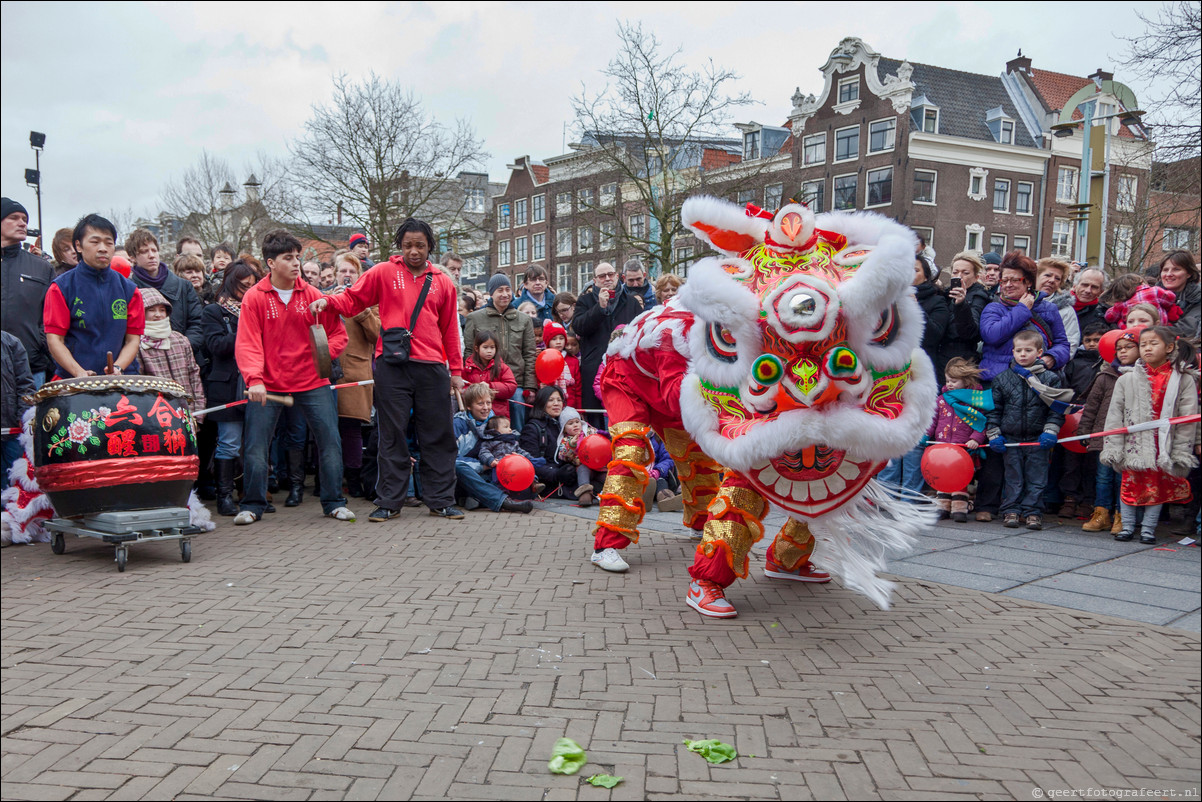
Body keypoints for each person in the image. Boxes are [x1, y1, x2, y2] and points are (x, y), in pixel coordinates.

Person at [314, 217, 466, 522]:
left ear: (430, 247)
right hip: (392, 365)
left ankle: (441, 500)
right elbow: (354, 298)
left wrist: (457, 371)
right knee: (391, 435)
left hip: (433, 366)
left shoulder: (443, 281)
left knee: (438, 434)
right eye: (408, 245)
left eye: (420, 245)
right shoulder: (382, 272)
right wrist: (328, 303)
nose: (413, 251)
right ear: (399, 245)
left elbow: (450, 327)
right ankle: (389, 501)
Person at [234, 229, 354, 525]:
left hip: (313, 382)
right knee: (256, 445)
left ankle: (334, 502)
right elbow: (247, 343)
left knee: (330, 441)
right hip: (268, 383)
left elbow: (339, 335)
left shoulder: (313, 295)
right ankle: (252, 504)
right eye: (288, 258)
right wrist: (254, 379)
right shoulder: (254, 297)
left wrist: (322, 357)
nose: (296, 263)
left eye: (298, 257)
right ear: (271, 263)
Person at [1102, 327, 1199, 544]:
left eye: (1153, 343)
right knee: (1129, 482)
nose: (1147, 348)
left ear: (1170, 347)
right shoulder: (1126, 379)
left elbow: (1188, 417)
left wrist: (1182, 449)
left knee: (1157, 486)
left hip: (1162, 442)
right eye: (1143, 344)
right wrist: (1113, 445)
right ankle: (1127, 526)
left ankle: (1148, 529)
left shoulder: (1182, 380)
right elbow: (1115, 414)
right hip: (1134, 443)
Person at [986, 330, 1070, 530]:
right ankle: (1011, 510)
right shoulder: (1002, 379)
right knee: (1013, 475)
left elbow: (1056, 410)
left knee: (1037, 476)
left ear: (1039, 352)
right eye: (1019, 350)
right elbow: (994, 409)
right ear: (1013, 352)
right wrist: (994, 433)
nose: (1022, 354)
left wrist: (1050, 431)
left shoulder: (1050, 379)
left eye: (1028, 350)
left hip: (1037, 437)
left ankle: (1033, 512)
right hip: (1010, 437)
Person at [43, 214, 144, 379]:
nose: (103, 248)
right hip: (74, 380)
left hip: (122, 378)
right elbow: (55, 339)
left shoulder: (129, 290)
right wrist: (78, 372)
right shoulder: (61, 288)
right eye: (95, 242)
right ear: (79, 246)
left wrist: (118, 367)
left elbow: (133, 340)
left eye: (108, 242)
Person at [202, 261, 257, 516]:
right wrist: (244, 328)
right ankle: (224, 496)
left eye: (252, 286)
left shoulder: (258, 309)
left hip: (255, 382)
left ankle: (252, 494)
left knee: (255, 443)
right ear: (231, 283)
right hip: (226, 385)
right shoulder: (214, 311)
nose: (247, 290)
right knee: (229, 442)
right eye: (243, 286)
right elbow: (216, 346)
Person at [1077, 326, 1139, 534]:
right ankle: (1101, 513)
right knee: (1103, 477)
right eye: (1119, 348)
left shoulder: (1143, 377)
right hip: (1105, 436)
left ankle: (1122, 516)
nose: (1123, 352)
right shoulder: (1105, 376)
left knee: (1123, 478)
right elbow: (1091, 406)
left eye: (1129, 347)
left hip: (1130, 439)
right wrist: (1084, 431)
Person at [328, 252, 379, 498]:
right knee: (325, 428)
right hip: (326, 374)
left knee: (351, 429)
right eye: (342, 271)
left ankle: (355, 480)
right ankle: (326, 480)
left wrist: (360, 309)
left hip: (355, 373)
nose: (346, 276)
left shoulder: (371, 304)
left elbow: (379, 336)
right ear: (335, 274)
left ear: (359, 276)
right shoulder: (324, 298)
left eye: (352, 272)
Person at [462, 274, 536, 430]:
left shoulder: (524, 319)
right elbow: (469, 352)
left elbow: (529, 354)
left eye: (508, 289)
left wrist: (530, 386)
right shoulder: (475, 318)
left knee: (516, 412)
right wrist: (472, 383)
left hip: (515, 383)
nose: (505, 294)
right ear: (492, 293)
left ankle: (517, 447)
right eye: (500, 290)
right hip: (481, 381)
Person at [573, 262, 644, 418]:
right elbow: (578, 327)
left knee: (623, 413)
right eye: (602, 276)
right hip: (594, 368)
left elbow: (640, 333)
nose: (607, 278)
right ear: (595, 280)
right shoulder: (585, 301)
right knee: (596, 418)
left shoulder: (631, 302)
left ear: (617, 276)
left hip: (624, 369)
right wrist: (599, 307)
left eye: (610, 274)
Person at [924, 358, 991, 522]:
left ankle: (959, 508)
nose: (950, 384)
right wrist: (926, 435)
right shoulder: (941, 399)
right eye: (948, 380)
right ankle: (943, 507)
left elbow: (981, 422)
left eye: (954, 381)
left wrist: (976, 438)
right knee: (942, 476)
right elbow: (932, 420)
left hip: (963, 446)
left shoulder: (974, 400)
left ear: (966, 381)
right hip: (942, 445)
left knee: (959, 478)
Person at [453, 383, 533, 514]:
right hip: (467, 474)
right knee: (459, 468)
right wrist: (483, 466)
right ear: (469, 406)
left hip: (492, 472)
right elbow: (452, 458)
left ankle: (476, 498)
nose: (486, 408)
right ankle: (503, 502)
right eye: (480, 404)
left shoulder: (494, 421)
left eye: (488, 403)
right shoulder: (458, 424)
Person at [2, 197, 56, 386]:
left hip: (31, 367)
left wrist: (39, 345)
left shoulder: (42, 268)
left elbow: (51, 316)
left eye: (24, 219)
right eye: (14, 217)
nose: (22, 223)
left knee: (31, 417)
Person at [1056, 323, 1108, 518]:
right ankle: (1069, 498)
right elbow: (1066, 388)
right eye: (1088, 341)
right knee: (1071, 462)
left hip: (1098, 418)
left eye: (1097, 340)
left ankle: (1088, 500)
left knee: (1092, 463)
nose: (1092, 344)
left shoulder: (1108, 365)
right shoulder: (1074, 363)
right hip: (1074, 419)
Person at [126, 229, 205, 355]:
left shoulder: (184, 286)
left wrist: (181, 347)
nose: (151, 255)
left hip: (185, 356)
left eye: (154, 250)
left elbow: (197, 323)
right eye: (144, 252)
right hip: (144, 359)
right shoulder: (127, 289)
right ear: (132, 258)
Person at [137, 288, 206, 415]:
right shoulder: (136, 343)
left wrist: (199, 410)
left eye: (162, 310)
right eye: (151, 310)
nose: (158, 314)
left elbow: (193, 374)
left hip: (187, 410)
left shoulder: (179, 339)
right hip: (156, 413)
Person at [937, 251, 991, 380]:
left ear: (976, 277)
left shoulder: (979, 297)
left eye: (965, 273)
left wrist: (961, 304)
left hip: (962, 363)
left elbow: (970, 332)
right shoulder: (944, 294)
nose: (959, 276)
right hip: (940, 358)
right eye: (955, 272)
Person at [518, 386, 579, 494]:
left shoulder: (566, 425)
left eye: (559, 400)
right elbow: (530, 462)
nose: (556, 403)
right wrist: (557, 474)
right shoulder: (532, 428)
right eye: (551, 400)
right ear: (542, 403)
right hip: (550, 483)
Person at [1, 331, 36, 488]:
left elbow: (26, 385)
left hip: (11, 429)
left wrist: (23, 417)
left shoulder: (11, 343)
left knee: (15, 482)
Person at [462, 329, 517, 419]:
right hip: (474, 413)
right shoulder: (468, 368)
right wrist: (476, 391)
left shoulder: (502, 367)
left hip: (498, 413)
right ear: (476, 348)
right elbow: (463, 388)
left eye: (492, 347)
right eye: (485, 347)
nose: (489, 351)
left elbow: (511, 386)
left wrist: (490, 386)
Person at [554, 406, 601, 506]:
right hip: (582, 465)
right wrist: (571, 445)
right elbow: (562, 455)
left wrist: (603, 436)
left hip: (599, 464)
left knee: (607, 475)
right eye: (570, 424)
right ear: (564, 429)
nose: (575, 425)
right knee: (582, 471)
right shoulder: (566, 440)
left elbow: (600, 441)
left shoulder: (590, 431)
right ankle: (585, 494)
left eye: (577, 422)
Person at [1035, 258, 1081, 358]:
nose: (1052, 280)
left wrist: (1051, 360)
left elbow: (1070, 344)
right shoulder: (1020, 302)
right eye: (1047, 275)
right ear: (1036, 277)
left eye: (1057, 278)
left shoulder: (1066, 310)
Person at [1156, 251, 1200, 338]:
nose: (1169, 274)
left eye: (1176, 269)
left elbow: (1189, 328)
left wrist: (1153, 332)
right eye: (1165, 270)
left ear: (1189, 273)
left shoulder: (1198, 297)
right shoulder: (1150, 296)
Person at [540, 320, 580, 408]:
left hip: (570, 403)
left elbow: (578, 387)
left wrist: (579, 407)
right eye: (554, 339)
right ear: (547, 341)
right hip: (549, 405)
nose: (558, 342)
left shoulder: (573, 360)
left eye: (561, 338)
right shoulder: (543, 359)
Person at [1071, 267, 1110, 335]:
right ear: (1075, 286)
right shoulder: (1058, 307)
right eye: (1084, 285)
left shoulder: (1106, 316)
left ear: (1101, 292)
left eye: (1094, 287)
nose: (1088, 290)